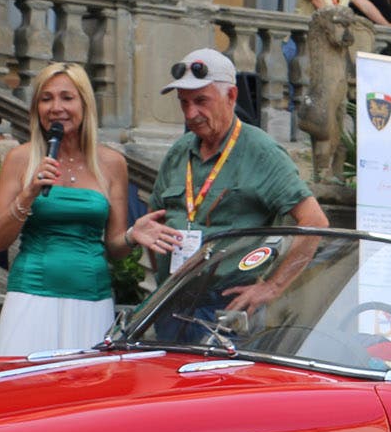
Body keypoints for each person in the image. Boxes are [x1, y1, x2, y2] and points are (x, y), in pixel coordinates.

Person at [130, 49, 329, 316]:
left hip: (226, 307)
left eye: (201, 100)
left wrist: (272, 287)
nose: (191, 114)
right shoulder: (179, 152)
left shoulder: (260, 151)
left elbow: (315, 222)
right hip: (172, 300)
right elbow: (156, 221)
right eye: (184, 102)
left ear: (231, 96)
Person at [0, 63, 132, 355]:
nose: (56, 107)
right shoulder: (21, 158)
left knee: (87, 395)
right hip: (32, 296)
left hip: (92, 300)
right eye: (46, 98)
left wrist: (133, 236)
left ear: (84, 104)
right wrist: (27, 195)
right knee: (23, 391)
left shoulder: (112, 163)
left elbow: (116, 248)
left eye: (67, 98)